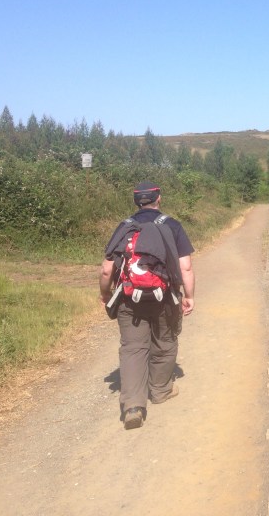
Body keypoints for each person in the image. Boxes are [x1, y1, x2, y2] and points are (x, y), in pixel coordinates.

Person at [99, 181, 196, 429]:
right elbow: (185, 267)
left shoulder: (125, 226)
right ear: (158, 199)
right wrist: (189, 295)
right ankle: (161, 390)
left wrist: (105, 294)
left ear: (136, 201)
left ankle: (133, 406)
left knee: (133, 348)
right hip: (166, 298)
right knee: (165, 342)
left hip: (129, 298)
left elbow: (107, 269)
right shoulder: (172, 225)